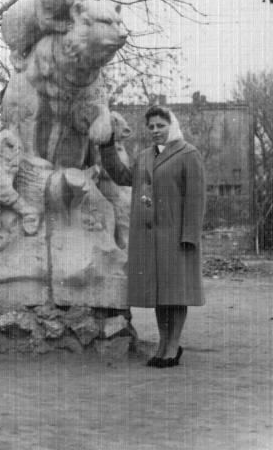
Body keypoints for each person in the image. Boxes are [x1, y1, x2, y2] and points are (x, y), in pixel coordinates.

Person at [100, 105, 206, 368]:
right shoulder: (145, 156)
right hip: (149, 239)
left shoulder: (188, 154)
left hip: (177, 238)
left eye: (160, 125)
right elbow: (124, 177)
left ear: (171, 125)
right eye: (151, 127)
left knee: (176, 294)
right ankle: (162, 344)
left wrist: (190, 235)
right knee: (160, 294)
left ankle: (172, 346)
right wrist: (108, 147)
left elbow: (196, 198)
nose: (156, 131)